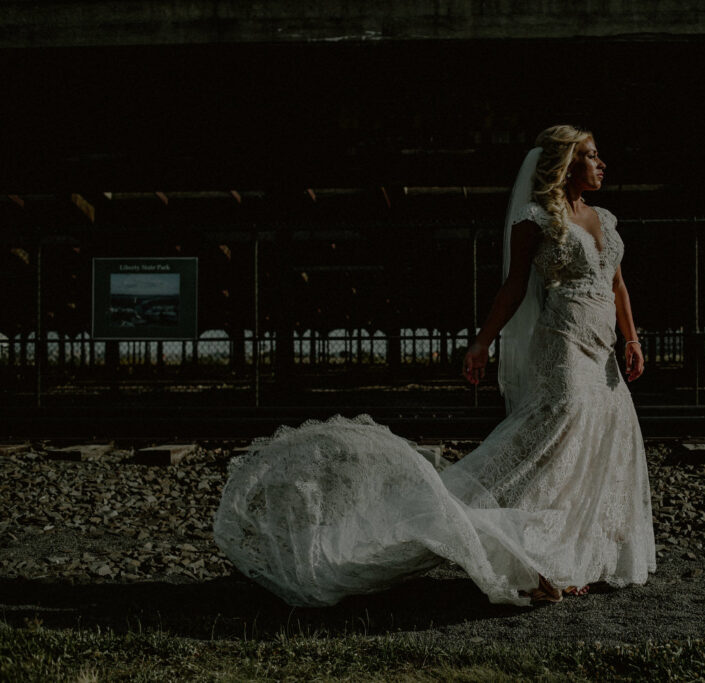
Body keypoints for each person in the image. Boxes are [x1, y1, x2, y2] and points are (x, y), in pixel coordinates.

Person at [213, 125, 656, 607]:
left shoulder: (604, 219)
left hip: (604, 347)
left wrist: (631, 338)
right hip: (564, 344)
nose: (602, 163)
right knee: (557, 437)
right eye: (592, 156)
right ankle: (523, 551)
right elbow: (513, 288)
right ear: (567, 163)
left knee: (601, 439)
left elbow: (617, 286)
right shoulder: (536, 218)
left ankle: (571, 556)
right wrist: (482, 343)